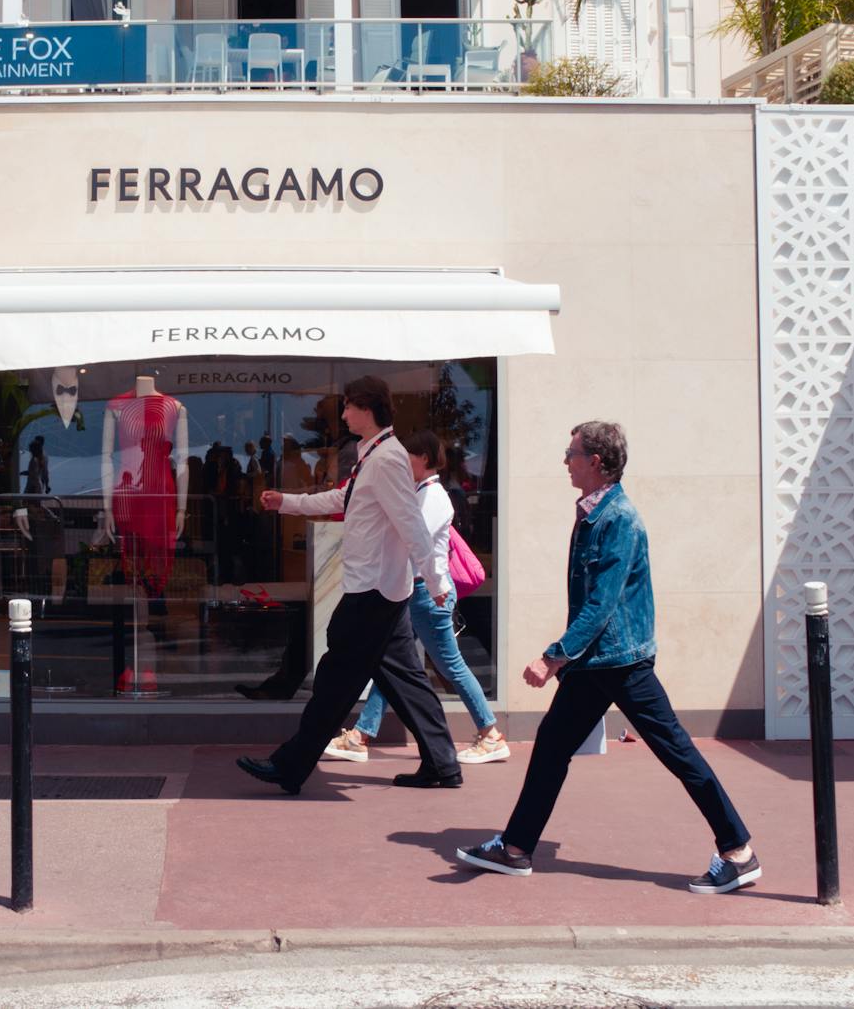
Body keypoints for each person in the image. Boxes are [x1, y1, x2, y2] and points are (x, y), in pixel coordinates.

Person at [458, 421, 761, 894]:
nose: (565, 460)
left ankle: (738, 850)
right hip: (595, 664)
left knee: (676, 750)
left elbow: (602, 602)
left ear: (595, 461)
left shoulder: (619, 519)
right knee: (552, 745)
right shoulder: (593, 512)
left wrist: (553, 657)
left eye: (571, 452)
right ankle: (515, 849)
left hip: (620, 661)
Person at [236, 376, 463, 792]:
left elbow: (411, 523)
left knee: (333, 682)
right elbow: (342, 500)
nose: (342, 415)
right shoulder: (374, 454)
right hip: (382, 592)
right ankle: (443, 765)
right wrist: (286, 502)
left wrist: (435, 580)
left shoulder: (388, 458)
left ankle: (290, 766)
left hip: (372, 593)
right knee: (407, 681)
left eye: (348, 407)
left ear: (368, 408)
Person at [324, 430, 509, 766]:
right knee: (395, 664)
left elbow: (413, 541)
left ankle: (491, 733)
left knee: (447, 664)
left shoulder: (434, 496)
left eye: (405, 457)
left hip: (427, 594)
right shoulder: (421, 492)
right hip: (416, 592)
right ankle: (360, 735)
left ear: (424, 458)